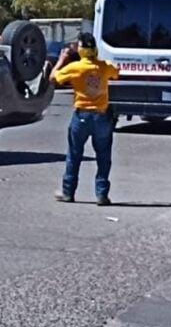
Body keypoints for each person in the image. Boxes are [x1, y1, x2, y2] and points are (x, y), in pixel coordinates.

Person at [50, 32, 120, 206]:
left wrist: (62, 59)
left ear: (80, 49)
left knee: (74, 155)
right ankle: (101, 194)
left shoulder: (75, 68)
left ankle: (68, 192)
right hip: (102, 116)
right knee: (103, 156)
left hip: (81, 115)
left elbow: (53, 78)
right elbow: (116, 72)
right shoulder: (104, 66)